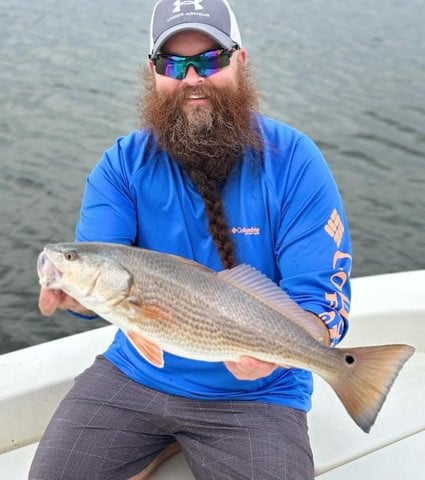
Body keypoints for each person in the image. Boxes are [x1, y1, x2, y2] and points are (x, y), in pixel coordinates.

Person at [30, 0, 352, 479]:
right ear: (153, 72)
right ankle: (155, 443)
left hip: (257, 395)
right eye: (173, 63)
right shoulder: (122, 165)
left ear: (240, 62)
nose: (192, 78)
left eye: (211, 59)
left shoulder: (295, 162)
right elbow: (99, 279)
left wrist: (293, 356)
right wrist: (70, 292)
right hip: (135, 373)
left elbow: (323, 298)